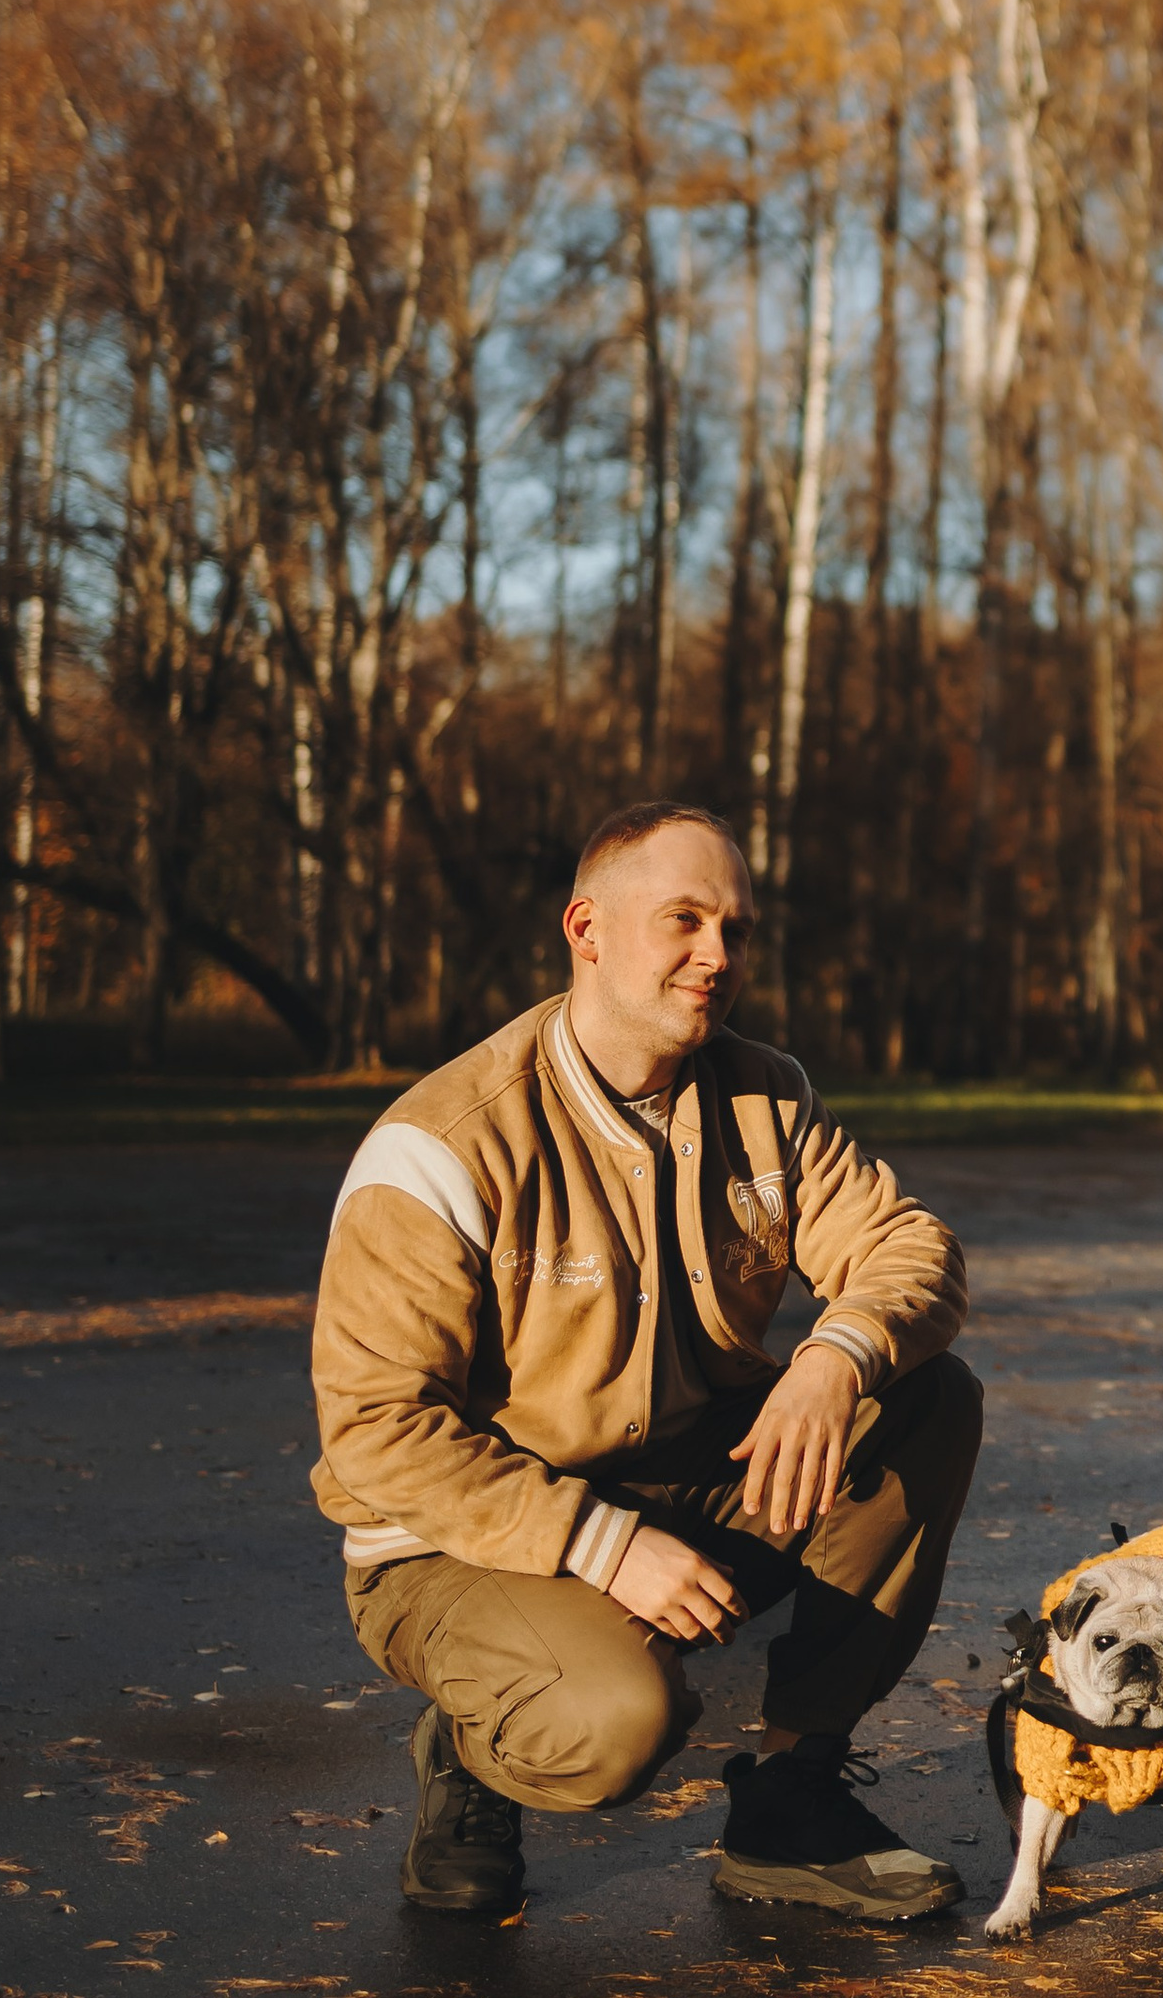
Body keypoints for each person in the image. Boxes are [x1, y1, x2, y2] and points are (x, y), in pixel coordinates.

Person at [310, 804, 982, 1924]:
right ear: (586, 927)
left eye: (737, 928)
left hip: (684, 1478)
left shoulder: (766, 1095)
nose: (717, 956)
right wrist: (601, 1547)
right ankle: (473, 1752)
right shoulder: (440, 1147)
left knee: (924, 1399)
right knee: (611, 1724)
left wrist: (834, 1355)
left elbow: (911, 1249)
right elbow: (379, 1434)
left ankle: (788, 1800)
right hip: (457, 1541)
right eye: (683, 920)